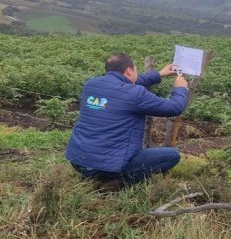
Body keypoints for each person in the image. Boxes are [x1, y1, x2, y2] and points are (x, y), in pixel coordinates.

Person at [65, 53, 189, 186]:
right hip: (108, 166)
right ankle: (119, 182)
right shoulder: (135, 93)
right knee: (172, 156)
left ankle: (92, 175)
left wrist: (159, 74)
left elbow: (127, 83)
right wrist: (180, 89)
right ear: (129, 71)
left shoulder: (91, 85)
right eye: (136, 69)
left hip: (78, 161)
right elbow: (174, 107)